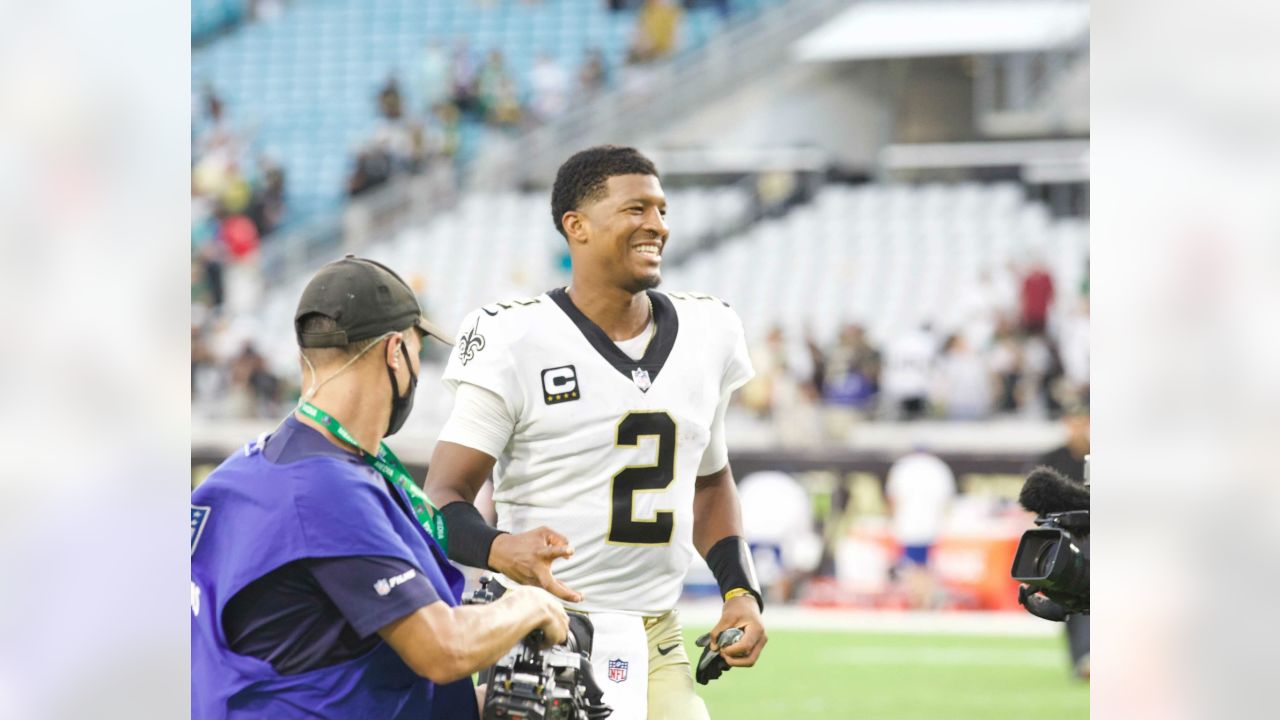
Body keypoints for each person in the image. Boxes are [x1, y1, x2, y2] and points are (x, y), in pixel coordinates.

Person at [424, 146, 767, 719]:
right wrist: (499, 549)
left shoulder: (711, 331)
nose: (656, 225)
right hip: (541, 628)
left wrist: (740, 592)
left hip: (656, 630)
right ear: (576, 226)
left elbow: (709, 483)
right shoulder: (515, 337)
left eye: (661, 209)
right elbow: (444, 495)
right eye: (636, 209)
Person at [191, 256, 570, 719]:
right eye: (415, 350)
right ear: (395, 352)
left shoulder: (251, 468)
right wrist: (528, 606)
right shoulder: (327, 488)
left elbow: (320, 657)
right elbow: (441, 649)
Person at [1033, 404, 1090, 679]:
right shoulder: (1052, 458)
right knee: (1070, 601)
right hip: (1066, 539)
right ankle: (1081, 659)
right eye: (1073, 422)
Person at [884, 447, 956, 608]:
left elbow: (893, 497)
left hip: (910, 525)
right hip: (931, 525)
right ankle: (923, 600)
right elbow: (947, 500)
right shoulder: (938, 468)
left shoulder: (904, 467)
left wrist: (893, 520)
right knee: (922, 566)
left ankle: (921, 601)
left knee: (915, 568)